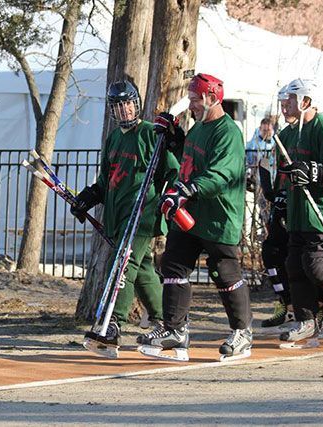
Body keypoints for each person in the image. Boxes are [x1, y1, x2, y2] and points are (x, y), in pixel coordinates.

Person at [137, 73, 253, 362]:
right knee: (173, 265)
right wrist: (174, 137)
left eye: (194, 100)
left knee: (224, 273)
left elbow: (221, 173)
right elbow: (189, 159)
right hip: (189, 212)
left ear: (212, 98)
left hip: (218, 215)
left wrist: (188, 189)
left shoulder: (228, 132)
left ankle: (243, 332)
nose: (191, 106)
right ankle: (175, 330)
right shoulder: (198, 129)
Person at [71, 80, 179, 358]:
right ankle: (168, 321)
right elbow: (107, 180)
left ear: (137, 104)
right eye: (119, 106)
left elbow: (172, 172)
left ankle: (113, 325)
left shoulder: (148, 134)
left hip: (142, 214)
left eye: (128, 104)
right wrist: (89, 198)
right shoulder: (114, 138)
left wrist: (166, 201)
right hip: (118, 215)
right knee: (141, 269)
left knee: (123, 263)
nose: (125, 110)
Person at [277, 78, 323, 345]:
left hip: (322, 211)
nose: (285, 107)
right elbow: (284, 170)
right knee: (294, 264)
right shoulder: (289, 133)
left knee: (316, 265)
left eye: (290, 101)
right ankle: (306, 320)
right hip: (298, 211)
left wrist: (315, 171)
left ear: (306, 101)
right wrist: (281, 190)